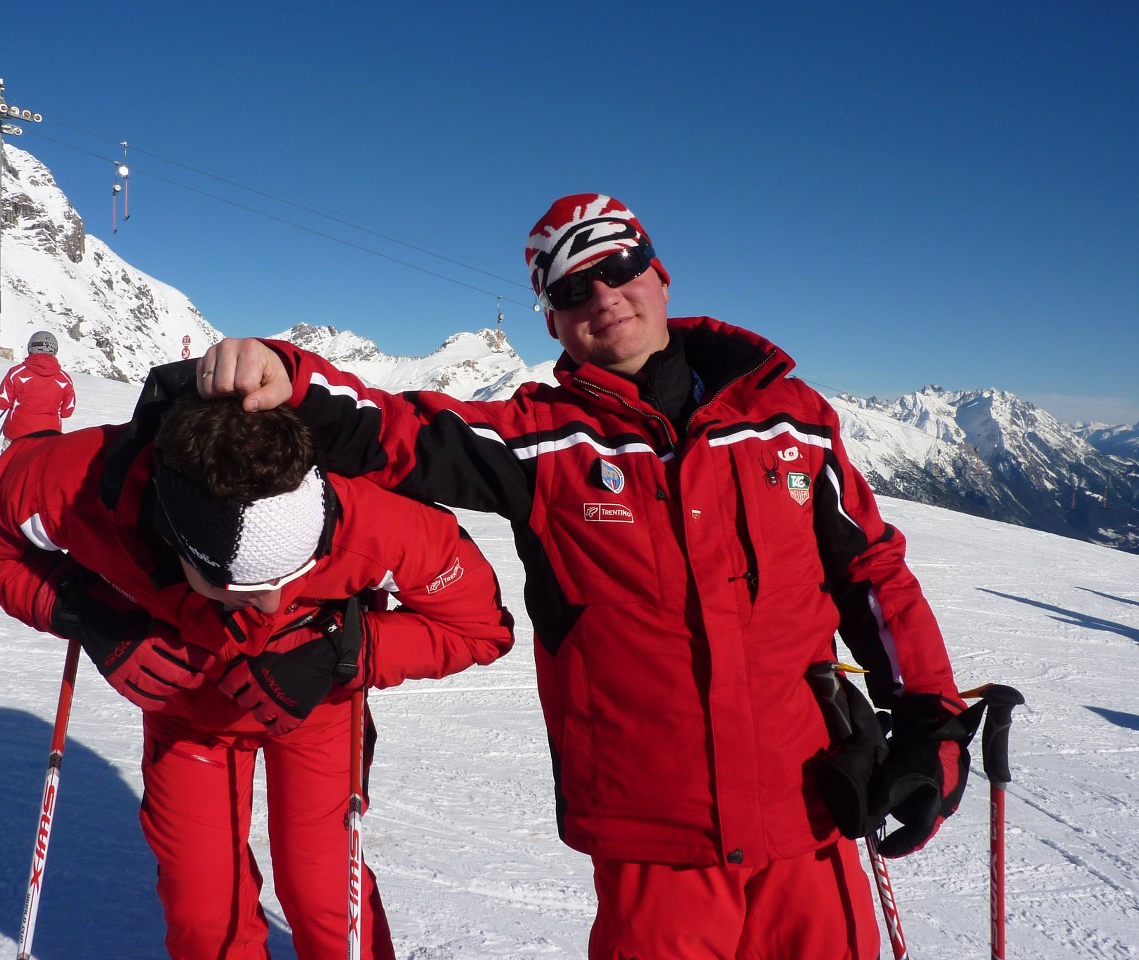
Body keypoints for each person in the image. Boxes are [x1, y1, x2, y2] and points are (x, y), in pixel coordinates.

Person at [193, 194, 977, 959]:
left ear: (659, 275)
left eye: (619, 267)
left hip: (810, 809)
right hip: (655, 839)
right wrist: (289, 376)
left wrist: (931, 722)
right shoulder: (544, 443)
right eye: (571, 289)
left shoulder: (790, 419)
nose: (603, 297)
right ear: (553, 321)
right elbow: (403, 431)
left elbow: (871, 572)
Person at [0, 361, 514, 960]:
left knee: (322, 890)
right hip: (188, 713)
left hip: (317, 712)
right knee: (203, 909)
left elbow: (480, 628)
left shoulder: (375, 517)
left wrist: (340, 652)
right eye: (241, 589)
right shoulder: (72, 483)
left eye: (295, 573)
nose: (274, 603)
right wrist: (88, 614)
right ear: (173, 539)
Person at [0, 330, 77, 442]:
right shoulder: (64, 379)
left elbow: (1, 402)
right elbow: (67, 411)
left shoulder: (16, 373)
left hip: (16, 435)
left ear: (30, 348)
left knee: (12, 454)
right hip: (50, 437)